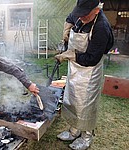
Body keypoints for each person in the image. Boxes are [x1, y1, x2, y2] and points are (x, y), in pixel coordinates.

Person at [55, 0, 114, 149]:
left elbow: (92, 59)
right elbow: (70, 17)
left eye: (84, 15)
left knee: (86, 105)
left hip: (89, 72)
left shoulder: (101, 28)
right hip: (75, 69)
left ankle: (86, 137)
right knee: (72, 99)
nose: (80, 18)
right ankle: (74, 131)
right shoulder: (81, 14)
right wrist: (66, 29)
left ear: (96, 10)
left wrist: (70, 55)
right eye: (78, 14)